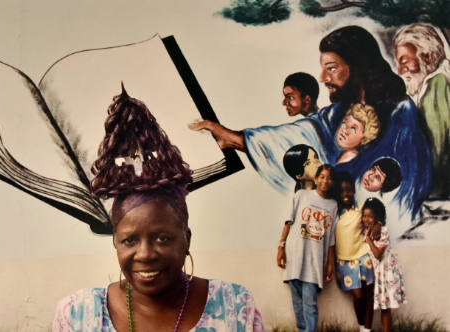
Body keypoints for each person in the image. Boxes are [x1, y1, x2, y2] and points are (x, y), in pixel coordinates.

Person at [52, 88, 265, 331]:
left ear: (186, 239)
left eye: (162, 238)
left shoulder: (234, 309)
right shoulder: (78, 316)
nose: (145, 254)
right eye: (129, 240)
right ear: (115, 243)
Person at [190, 25, 432, 224]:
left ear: (357, 67)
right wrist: (234, 138)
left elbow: (404, 186)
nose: (323, 78)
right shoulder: (339, 112)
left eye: (332, 68)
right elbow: (300, 134)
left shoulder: (401, 112)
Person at [276, 164, 338, 332]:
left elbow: (331, 237)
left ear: (332, 182)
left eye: (329, 178)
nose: (325, 181)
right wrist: (281, 247)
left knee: (309, 303)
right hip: (295, 253)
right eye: (322, 177)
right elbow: (288, 222)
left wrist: (330, 264)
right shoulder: (301, 195)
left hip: (315, 259)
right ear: (316, 179)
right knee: (297, 301)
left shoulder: (333, 205)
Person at [394, 23, 450, 199]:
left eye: (404, 62)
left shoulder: (437, 86)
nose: (400, 71)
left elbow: (437, 149)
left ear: (427, 57)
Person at [334, 172, 376, 332]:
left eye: (349, 190)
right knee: (358, 296)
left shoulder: (362, 207)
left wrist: (377, 225)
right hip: (344, 261)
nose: (346, 194)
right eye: (343, 190)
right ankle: (361, 326)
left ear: (353, 191)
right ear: (338, 192)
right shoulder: (335, 211)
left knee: (369, 295)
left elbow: (375, 218)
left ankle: (367, 329)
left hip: (363, 257)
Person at [362, 197, 407, 332]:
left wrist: (369, 240)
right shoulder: (369, 230)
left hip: (387, 273)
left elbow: (377, 254)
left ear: (378, 217)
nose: (366, 219)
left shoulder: (383, 231)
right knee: (382, 305)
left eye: (370, 216)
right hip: (378, 273)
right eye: (364, 216)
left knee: (385, 307)